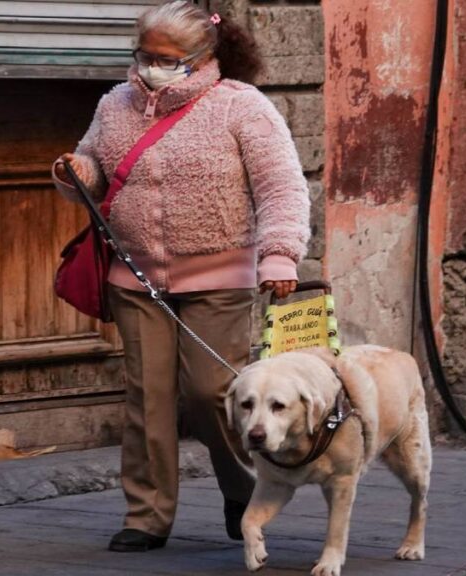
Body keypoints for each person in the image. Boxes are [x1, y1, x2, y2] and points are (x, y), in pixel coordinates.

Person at [52, 0, 310, 553]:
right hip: (136, 278)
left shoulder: (243, 108)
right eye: (145, 55)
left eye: (168, 59)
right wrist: (76, 173)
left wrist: (280, 255)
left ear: (203, 56)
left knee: (214, 392)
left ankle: (244, 491)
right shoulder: (114, 104)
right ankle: (146, 515)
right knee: (147, 398)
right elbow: (93, 172)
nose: (152, 66)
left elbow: (281, 187)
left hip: (219, 278)